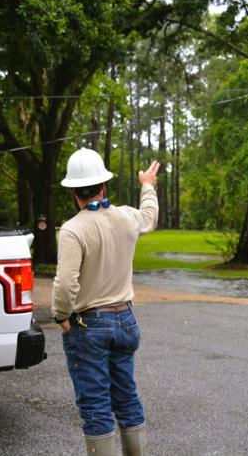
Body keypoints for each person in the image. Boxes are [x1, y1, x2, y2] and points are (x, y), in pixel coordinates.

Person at [52, 148, 159, 456]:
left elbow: (65, 283)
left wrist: (61, 315)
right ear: (103, 186)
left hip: (89, 325)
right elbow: (149, 218)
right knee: (126, 397)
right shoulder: (126, 216)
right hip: (126, 319)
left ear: (73, 191)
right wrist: (147, 185)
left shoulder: (73, 229)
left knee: (95, 404)